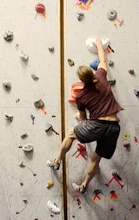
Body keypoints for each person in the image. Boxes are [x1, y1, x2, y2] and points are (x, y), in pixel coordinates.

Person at [48, 38, 123, 193]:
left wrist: (80, 118)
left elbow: (83, 120)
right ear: (93, 73)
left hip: (97, 125)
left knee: (70, 134)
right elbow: (103, 59)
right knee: (96, 158)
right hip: (114, 128)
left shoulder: (81, 96)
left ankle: (57, 162)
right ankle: (84, 185)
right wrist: (98, 43)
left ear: (82, 81)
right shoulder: (101, 76)